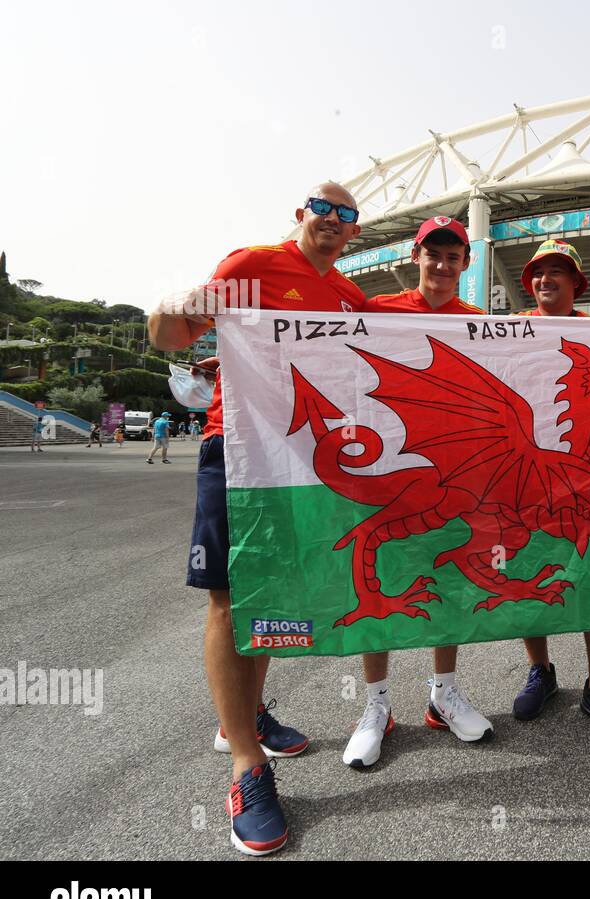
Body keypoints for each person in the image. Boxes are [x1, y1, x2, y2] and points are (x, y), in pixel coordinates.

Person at [149, 182, 367, 854]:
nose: (332, 220)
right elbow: (171, 336)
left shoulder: (350, 298)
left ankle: (247, 712)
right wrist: (166, 307)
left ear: (355, 232)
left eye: (346, 214)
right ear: (300, 215)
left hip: (300, 460)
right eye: (321, 208)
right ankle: (246, 762)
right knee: (226, 599)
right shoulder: (251, 265)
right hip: (236, 445)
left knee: (274, 594)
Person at [341, 216, 496, 769]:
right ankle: (376, 705)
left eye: (454, 255)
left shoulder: (475, 322)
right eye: (434, 253)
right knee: (381, 563)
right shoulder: (378, 311)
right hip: (387, 458)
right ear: (417, 255)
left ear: (466, 263)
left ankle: (443, 693)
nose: (443, 264)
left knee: (446, 577)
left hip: (454, 474)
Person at [505, 239, 590, 742]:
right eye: (537, 272)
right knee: (529, 568)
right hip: (529, 475)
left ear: (577, 283)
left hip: (588, 474)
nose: (544, 280)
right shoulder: (509, 330)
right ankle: (542, 671)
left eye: (557, 272)